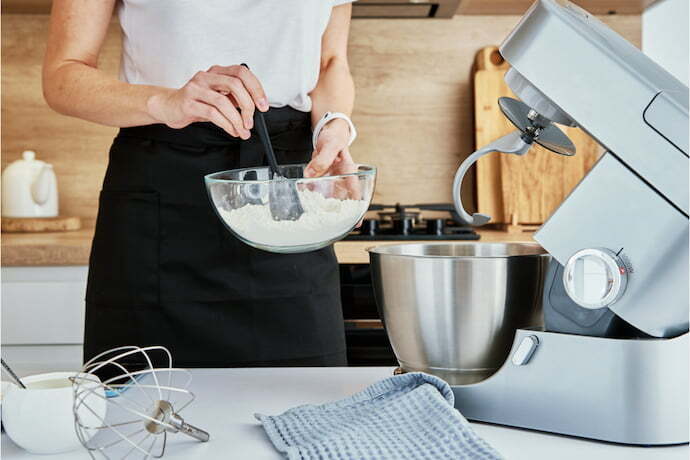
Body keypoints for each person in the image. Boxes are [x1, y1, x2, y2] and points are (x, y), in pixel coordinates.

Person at [43, 0, 357, 367]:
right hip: (162, 193)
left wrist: (332, 125)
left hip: (284, 195)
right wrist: (166, 102)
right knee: (138, 409)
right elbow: (63, 75)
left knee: (307, 404)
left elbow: (330, 62)